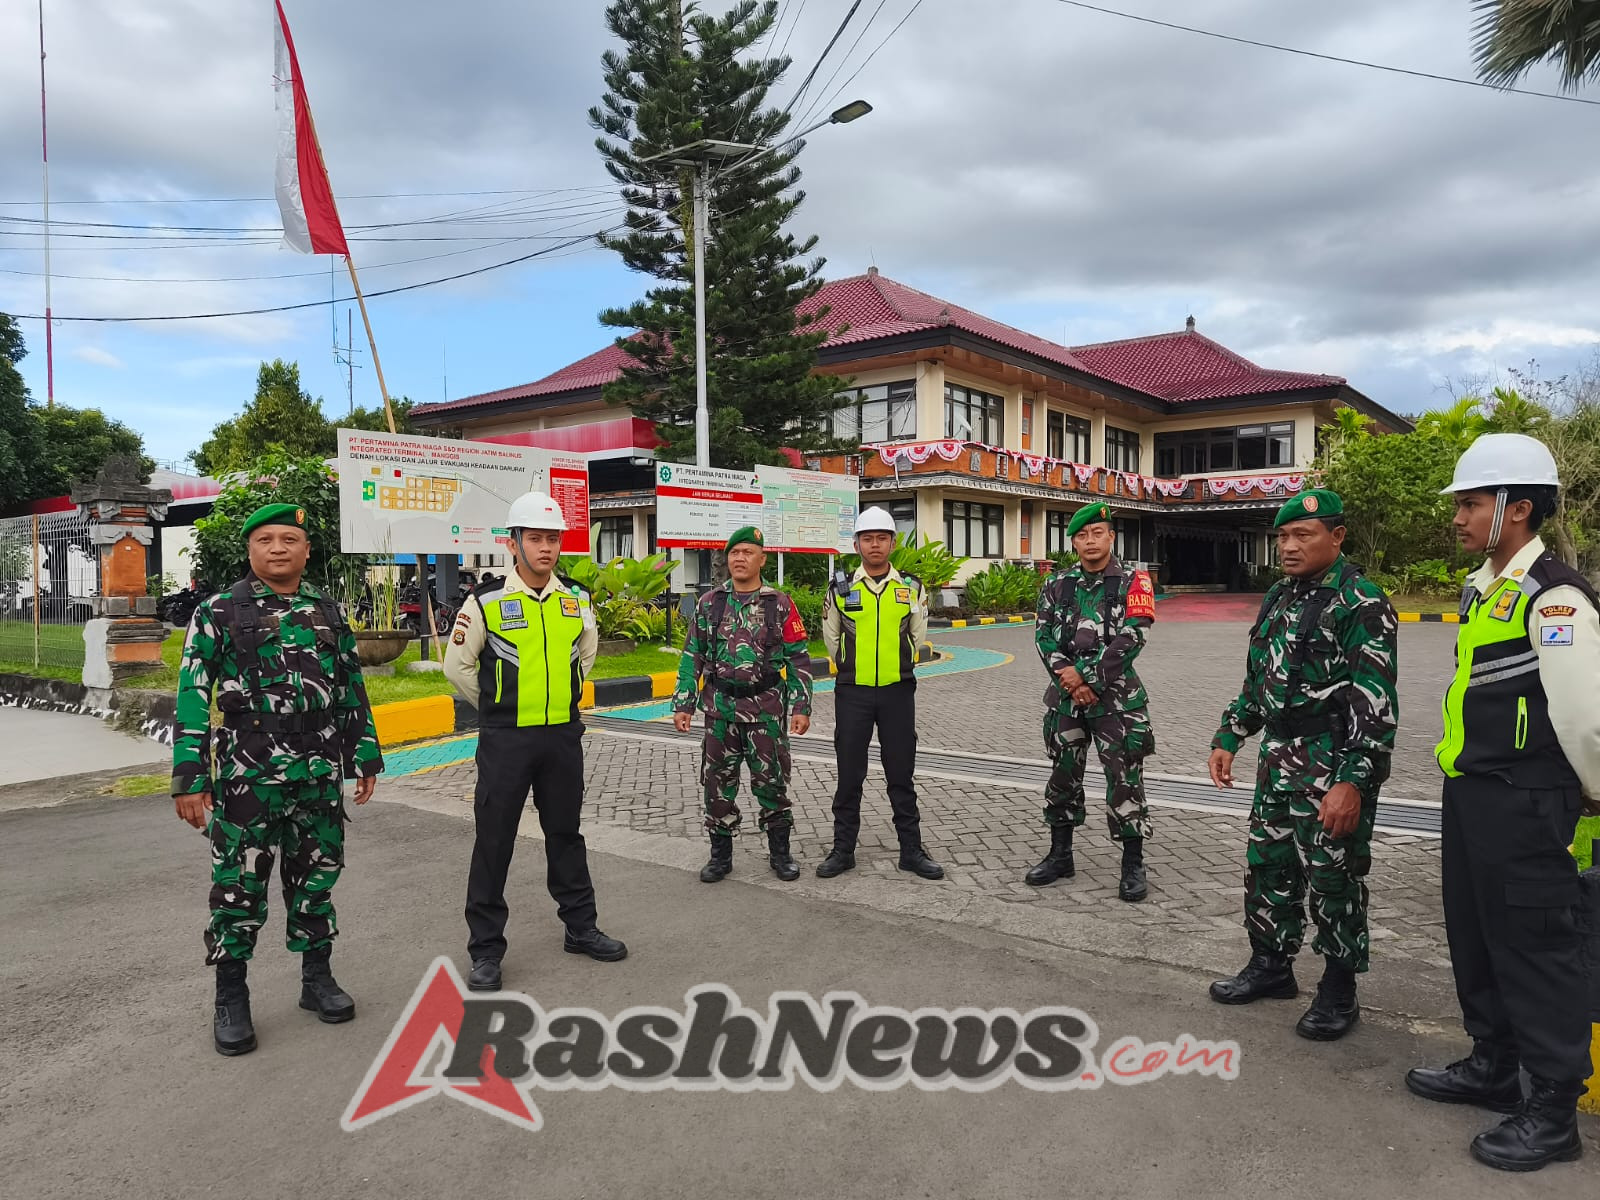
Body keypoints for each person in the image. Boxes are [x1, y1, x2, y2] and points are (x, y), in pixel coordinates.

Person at [1404, 433, 1598, 1172]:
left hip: (1528, 801)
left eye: (1471, 502)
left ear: (1518, 509)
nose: (1457, 516)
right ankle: (1492, 1063)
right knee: (1477, 933)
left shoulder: (1555, 596)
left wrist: (1592, 793)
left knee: (1538, 947)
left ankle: (1551, 1110)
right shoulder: (1486, 587)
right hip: (1475, 793)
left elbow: (1585, 716)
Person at [171, 502, 384, 1057]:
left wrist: (364, 754)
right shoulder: (219, 610)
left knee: (317, 876)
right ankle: (231, 995)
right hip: (249, 775)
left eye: (290, 538)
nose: (278, 548)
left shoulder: (327, 611)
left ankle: (317, 980)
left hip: (317, 771)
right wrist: (190, 776)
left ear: (307, 549)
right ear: (250, 550)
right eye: (266, 539)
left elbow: (349, 687)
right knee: (239, 886)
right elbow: (193, 695)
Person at [1206, 488, 1398, 1043]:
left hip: (1331, 762)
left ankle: (1340, 989)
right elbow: (1258, 682)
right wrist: (1230, 734)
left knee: (1333, 878)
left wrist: (1352, 781)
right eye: (1282, 536)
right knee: (1267, 867)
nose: (1288, 546)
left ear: (1336, 537)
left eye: (1302, 536)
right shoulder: (1279, 596)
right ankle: (1271, 966)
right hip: (1277, 759)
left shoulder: (1362, 603)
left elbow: (1375, 704)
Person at [443, 491, 626, 993]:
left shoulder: (576, 601)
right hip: (506, 741)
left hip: (562, 737)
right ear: (513, 543)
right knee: (494, 842)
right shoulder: (485, 602)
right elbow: (457, 668)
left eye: (552, 539)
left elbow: (585, 656)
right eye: (535, 538)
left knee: (566, 834)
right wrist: (501, 707)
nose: (545, 548)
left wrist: (557, 700)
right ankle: (485, 951)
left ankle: (581, 928)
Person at [1028, 502, 1157, 902]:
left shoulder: (1135, 582)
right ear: (1074, 541)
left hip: (1117, 704)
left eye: (1096, 533)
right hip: (1067, 702)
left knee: (1125, 780)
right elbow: (1043, 635)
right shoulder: (1058, 584)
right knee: (1063, 777)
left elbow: (1133, 636)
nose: (1089, 542)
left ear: (1110, 537)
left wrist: (1089, 680)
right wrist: (1070, 681)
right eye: (1081, 536)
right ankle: (1060, 855)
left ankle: (1132, 864)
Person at [671, 526, 813, 883]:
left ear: (762, 559)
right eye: (734, 553)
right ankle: (720, 856)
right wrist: (684, 703)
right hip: (720, 712)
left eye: (747, 552)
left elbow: (798, 659)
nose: (739, 559)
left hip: (765, 711)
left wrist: (801, 707)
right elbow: (693, 656)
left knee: (772, 784)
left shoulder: (779, 604)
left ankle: (780, 853)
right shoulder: (710, 604)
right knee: (717, 784)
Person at [818, 506, 942, 880]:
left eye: (882, 538)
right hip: (852, 692)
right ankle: (843, 851)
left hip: (897, 693)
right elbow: (830, 636)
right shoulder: (841, 588)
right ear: (857, 544)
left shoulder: (911, 588)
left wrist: (899, 665)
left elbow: (918, 636)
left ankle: (911, 851)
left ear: (892, 543)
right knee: (849, 774)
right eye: (868, 539)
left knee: (901, 774)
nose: (875, 545)